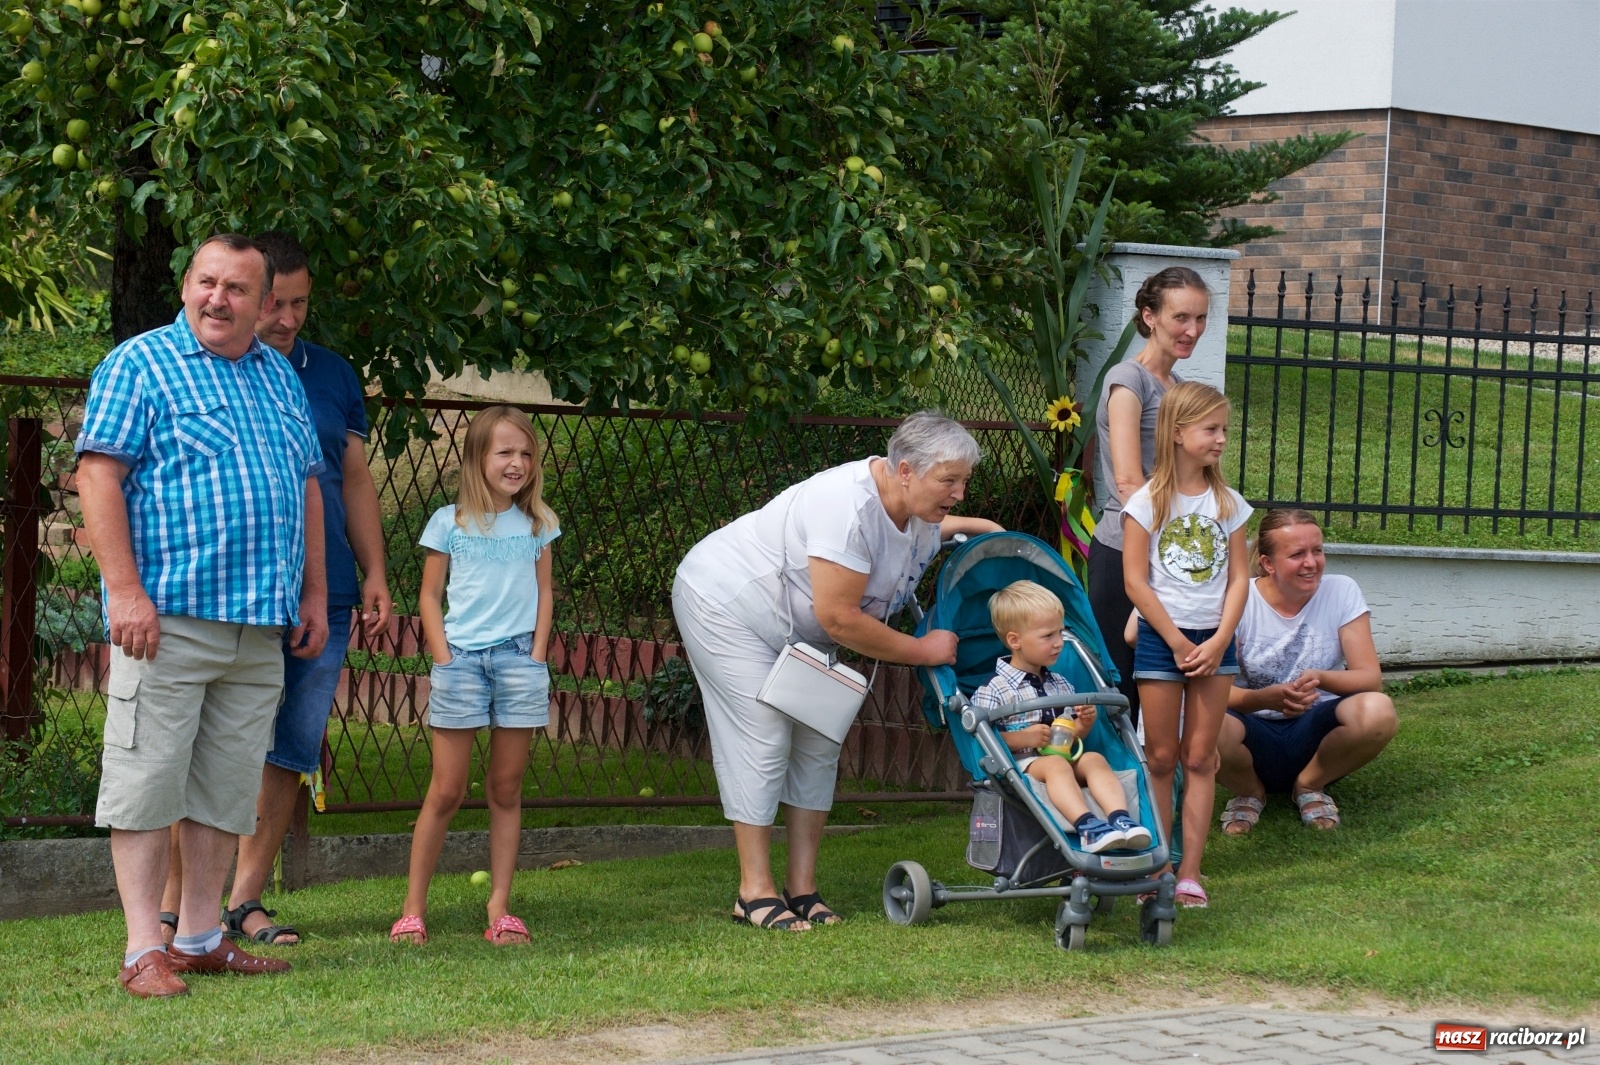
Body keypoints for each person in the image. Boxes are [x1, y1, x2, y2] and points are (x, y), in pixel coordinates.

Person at [75, 234, 328, 998]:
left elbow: (308, 484)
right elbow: (98, 474)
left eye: (237, 289)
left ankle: (198, 936)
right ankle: (139, 949)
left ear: (263, 304)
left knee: (222, 789)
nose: (219, 298)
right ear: (185, 285)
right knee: (148, 780)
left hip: (258, 623)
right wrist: (123, 589)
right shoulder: (140, 363)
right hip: (168, 615)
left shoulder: (279, 377)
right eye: (206, 282)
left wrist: (314, 592)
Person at [672, 411, 1002, 932]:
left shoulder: (912, 503)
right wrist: (926, 650)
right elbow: (839, 618)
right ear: (906, 470)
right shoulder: (846, 507)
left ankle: (801, 889)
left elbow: (928, 532)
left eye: (964, 481)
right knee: (763, 733)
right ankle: (753, 891)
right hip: (726, 604)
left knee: (820, 740)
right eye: (950, 481)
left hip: (795, 629)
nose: (959, 494)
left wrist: (981, 529)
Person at [153, 232, 393, 947]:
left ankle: (244, 902)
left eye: (299, 303)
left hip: (328, 593)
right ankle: (174, 905)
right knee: (203, 747)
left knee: (291, 745)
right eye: (276, 303)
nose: (287, 318)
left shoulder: (330, 375)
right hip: (236, 592)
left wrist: (374, 569)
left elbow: (347, 479)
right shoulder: (211, 370)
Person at [390, 405, 560, 946]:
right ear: (477, 458)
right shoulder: (450, 522)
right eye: (505, 452)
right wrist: (444, 657)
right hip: (461, 662)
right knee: (447, 789)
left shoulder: (539, 523)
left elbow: (546, 592)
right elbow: (428, 596)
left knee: (506, 789)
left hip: (518, 664)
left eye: (526, 453)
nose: (517, 463)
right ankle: (413, 909)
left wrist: (535, 656)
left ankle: (501, 907)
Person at [1122, 381, 1252, 909]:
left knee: (1201, 759)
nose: (1221, 439)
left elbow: (1240, 580)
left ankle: (1191, 873)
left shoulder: (1230, 503)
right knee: (1160, 755)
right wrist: (1175, 640)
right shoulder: (1146, 501)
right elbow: (1135, 581)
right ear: (1178, 434)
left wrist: (1220, 639)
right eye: (1211, 429)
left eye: (1224, 429)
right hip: (1162, 641)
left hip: (1215, 644)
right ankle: (1160, 865)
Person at [1217, 510, 1399, 834]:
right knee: (1196, 719)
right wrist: (1263, 699)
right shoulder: (1238, 597)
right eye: (1297, 554)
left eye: (1317, 550)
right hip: (1251, 730)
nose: (1311, 563)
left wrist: (1321, 677)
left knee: (1378, 710)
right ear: (1268, 563)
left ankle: (1309, 784)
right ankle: (1249, 791)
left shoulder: (1341, 590)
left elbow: (1370, 678)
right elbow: (1217, 690)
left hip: (1316, 729)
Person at [1088, 267, 1210, 724]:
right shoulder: (1128, 379)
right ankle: (1113, 790)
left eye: (1200, 319)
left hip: (1171, 553)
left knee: (1163, 682)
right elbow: (1127, 481)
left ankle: (1158, 787)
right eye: (1181, 317)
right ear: (1149, 316)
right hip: (1127, 552)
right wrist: (1173, 539)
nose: (1192, 330)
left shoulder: (1176, 388)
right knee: (1121, 687)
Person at [972, 581, 1153, 853]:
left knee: (1093, 758)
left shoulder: (1060, 684)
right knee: (1056, 765)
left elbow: (1067, 740)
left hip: (1062, 758)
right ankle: (1088, 827)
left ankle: (1120, 819)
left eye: (1060, 632)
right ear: (1014, 640)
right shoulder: (995, 688)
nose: (1059, 643)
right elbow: (981, 742)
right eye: (1048, 636)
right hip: (1021, 765)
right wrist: (1023, 737)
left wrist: (1082, 725)